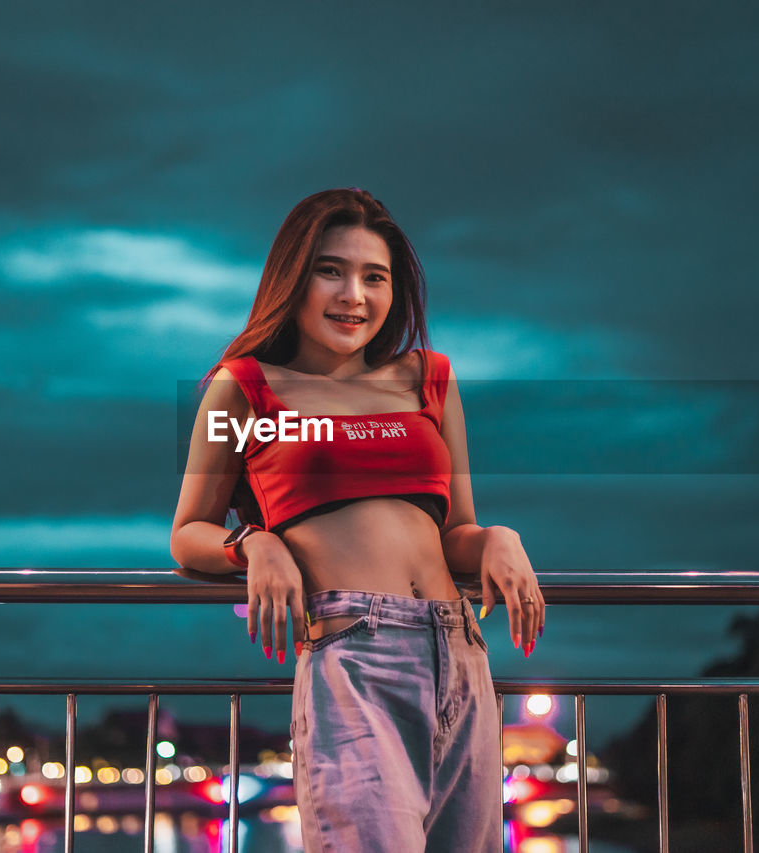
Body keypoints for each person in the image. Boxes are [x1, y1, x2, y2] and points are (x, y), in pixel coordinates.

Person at [170, 188, 543, 852]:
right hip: (354, 661)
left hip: (460, 652)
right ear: (294, 278)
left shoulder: (429, 379)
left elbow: (456, 529)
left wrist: (498, 539)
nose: (354, 295)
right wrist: (254, 544)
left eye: (375, 277)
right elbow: (187, 532)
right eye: (331, 270)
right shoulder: (245, 385)